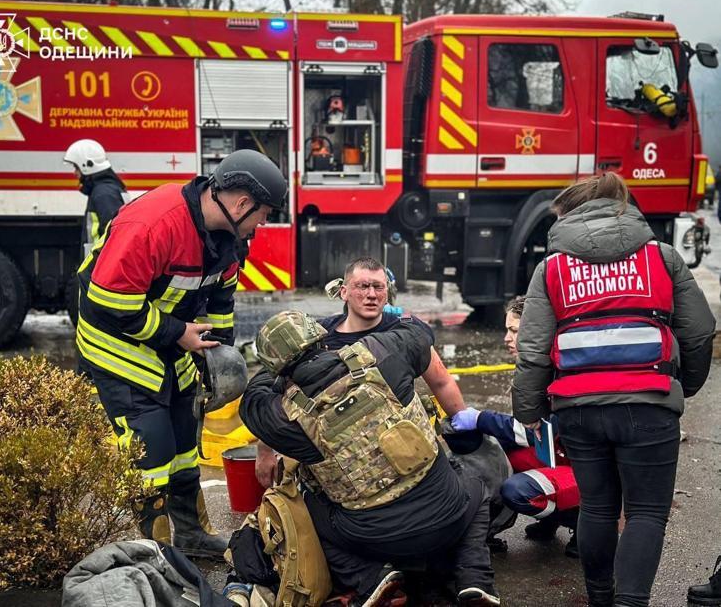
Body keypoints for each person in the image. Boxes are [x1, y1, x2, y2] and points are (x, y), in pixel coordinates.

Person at [512, 172, 715, 607]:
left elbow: (532, 348)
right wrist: (683, 386)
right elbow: (699, 332)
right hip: (649, 402)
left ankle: (601, 600)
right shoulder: (661, 257)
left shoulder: (552, 268)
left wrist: (529, 408)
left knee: (599, 508)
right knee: (646, 512)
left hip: (579, 408)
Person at [75, 149, 287, 557]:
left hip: (172, 343)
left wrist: (217, 358)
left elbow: (221, 303)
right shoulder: (155, 222)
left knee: (185, 442)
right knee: (151, 448)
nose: (263, 224)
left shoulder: (226, 238)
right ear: (242, 204)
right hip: (117, 344)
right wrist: (178, 334)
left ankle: (191, 536)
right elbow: (108, 301)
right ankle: (154, 555)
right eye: (264, 214)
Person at [242, 310, 499, 607]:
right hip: (446, 515)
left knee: (303, 505)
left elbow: (252, 397)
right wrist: (390, 315)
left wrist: (274, 367)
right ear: (321, 340)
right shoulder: (381, 351)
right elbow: (420, 331)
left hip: (373, 539)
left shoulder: (283, 416)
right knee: (475, 486)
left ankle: (371, 579)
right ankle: (475, 580)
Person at [255, 257, 467, 488]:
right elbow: (278, 395)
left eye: (378, 287)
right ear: (344, 292)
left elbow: (441, 382)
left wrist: (467, 430)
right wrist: (264, 450)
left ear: (387, 292)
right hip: (338, 459)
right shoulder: (317, 338)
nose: (372, 294)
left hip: (402, 446)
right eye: (362, 286)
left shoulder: (403, 332)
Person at [455, 295, 580, 557]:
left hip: (589, 472)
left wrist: (480, 418)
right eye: (507, 330)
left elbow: (532, 432)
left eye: (513, 330)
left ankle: (582, 522)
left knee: (518, 490)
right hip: (562, 455)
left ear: (536, 331)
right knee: (497, 451)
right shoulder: (537, 366)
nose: (506, 338)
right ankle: (554, 518)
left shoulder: (562, 370)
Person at [64, 139, 128, 255]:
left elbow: (114, 236)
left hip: (99, 265)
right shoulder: (104, 191)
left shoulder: (103, 194)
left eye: (76, 167)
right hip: (98, 263)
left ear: (87, 165)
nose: (75, 172)